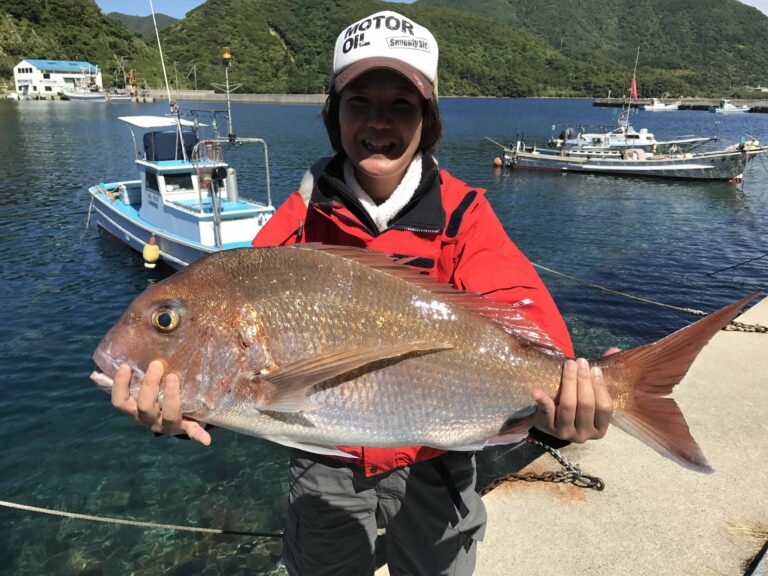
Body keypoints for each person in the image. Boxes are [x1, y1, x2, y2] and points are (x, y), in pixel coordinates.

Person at [111, 10, 614, 576]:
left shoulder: (464, 215)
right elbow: (237, 376)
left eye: (401, 103)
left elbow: (536, 333)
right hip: (327, 463)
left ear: (428, 118)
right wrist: (183, 414)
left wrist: (569, 402)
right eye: (358, 102)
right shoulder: (297, 221)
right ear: (334, 114)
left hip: (436, 462)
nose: (378, 122)